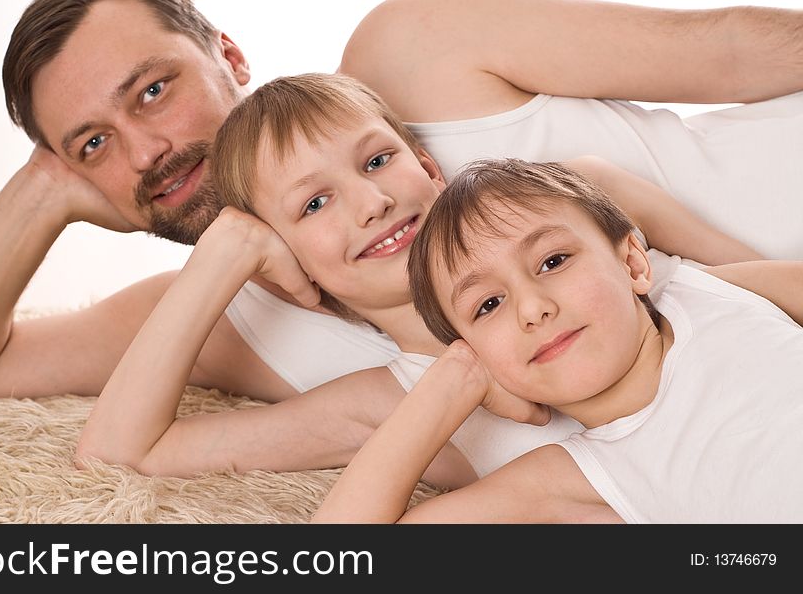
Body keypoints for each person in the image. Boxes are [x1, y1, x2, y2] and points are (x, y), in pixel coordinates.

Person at [0, 0, 801, 402]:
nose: (148, 148)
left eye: (155, 90)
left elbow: (723, 46)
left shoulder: (413, 49)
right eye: (94, 143)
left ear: (228, 55)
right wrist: (49, 183)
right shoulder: (224, 314)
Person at [77, 73, 764, 492]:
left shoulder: (580, 200)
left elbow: (755, 289)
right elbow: (119, 451)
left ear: (429, 169)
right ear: (288, 259)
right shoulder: (390, 400)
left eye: (377, 160)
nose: (370, 202)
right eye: (313, 205)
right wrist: (225, 251)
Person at [311, 159, 803, 523]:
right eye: (488, 305)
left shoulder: (716, 292)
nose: (533, 309)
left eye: (553, 262)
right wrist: (450, 381)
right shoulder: (573, 478)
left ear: (633, 263)